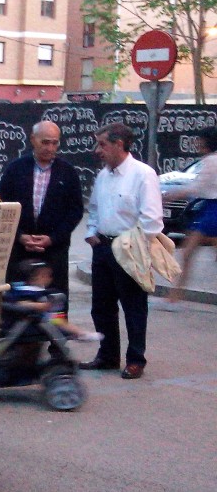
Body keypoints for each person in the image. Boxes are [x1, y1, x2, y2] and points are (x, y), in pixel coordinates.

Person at [80, 122, 164, 380]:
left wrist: (134, 246)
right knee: (102, 307)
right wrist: (91, 233)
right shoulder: (104, 175)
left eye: (103, 144)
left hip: (130, 249)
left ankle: (136, 359)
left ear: (119, 144)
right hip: (103, 248)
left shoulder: (142, 174)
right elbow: (93, 208)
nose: (98, 150)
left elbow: (152, 219)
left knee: (134, 306)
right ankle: (107, 355)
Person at [0, 120, 84, 296]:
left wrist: (52, 238)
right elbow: (2, 207)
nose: (50, 148)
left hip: (54, 251)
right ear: (33, 139)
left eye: (55, 142)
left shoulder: (67, 172)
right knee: (18, 300)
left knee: (54, 301)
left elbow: (75, 211)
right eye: (45, 142)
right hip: (20, 250)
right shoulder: (15, 169)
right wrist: (20, 236)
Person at [161, 126, 217, 308]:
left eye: (200, 140)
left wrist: (173, 195)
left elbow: (197, 188)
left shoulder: (210, 161)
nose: (197, 143)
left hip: (211, 210)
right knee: (189, 253)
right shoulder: (210, 160)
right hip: (209, 209)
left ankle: (174, 298)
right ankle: (174, 297)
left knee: (187, 253)